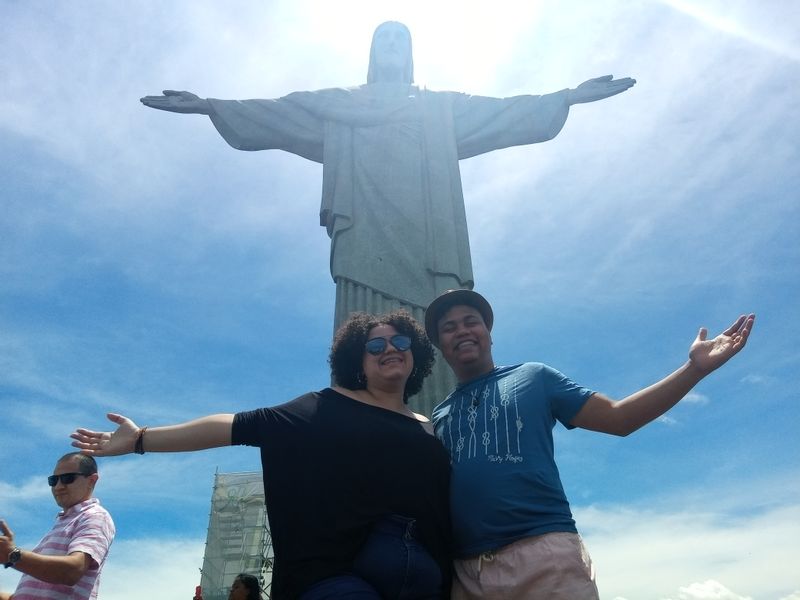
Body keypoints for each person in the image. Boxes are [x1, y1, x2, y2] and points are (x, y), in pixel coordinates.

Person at [139, 20, 636, 415]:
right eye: (385, 37)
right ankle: (367, 425)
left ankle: (442, 428)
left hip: (430, 239)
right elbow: (278, 113)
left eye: (402, 37)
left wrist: (565, 97)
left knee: (434, 318)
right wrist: (209, 106)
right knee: (368, 324)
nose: (394, 45)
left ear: (412, 51)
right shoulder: (339, 106)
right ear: (374, 51)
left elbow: (504, 113)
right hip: (365, 234)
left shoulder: (440, 109)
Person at [70, 310, 452, 599]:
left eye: (400, 342)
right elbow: (234, 426)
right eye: (375, 345)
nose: (389, 349)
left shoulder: (429, 426)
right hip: (337, 577)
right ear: (358, 360)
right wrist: (141, 439)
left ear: (415, 354)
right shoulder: (323, 407)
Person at [424, 289, 755, 600]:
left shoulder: (533, 377)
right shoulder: (440, 415)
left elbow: (619, 418)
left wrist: (693, 370)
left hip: (543, 556)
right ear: (440, 344)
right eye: (449, 327)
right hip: (466, 573)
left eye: (471, 321)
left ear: (488, 333)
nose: (462, 331)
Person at [0, 453, 115, 600]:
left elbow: (73, 570)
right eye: (53, 480)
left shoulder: (95, 516)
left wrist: (12, 555)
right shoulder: (62, 525)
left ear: (92, 480)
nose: (58, 486)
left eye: (68, 478)